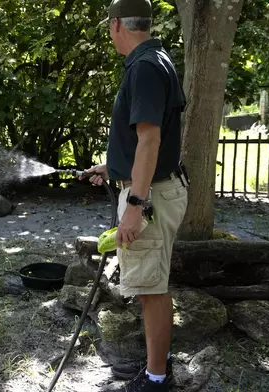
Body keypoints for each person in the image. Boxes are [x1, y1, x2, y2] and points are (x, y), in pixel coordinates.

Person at [82, 0, 189, 391]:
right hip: (155, 187)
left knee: (152, 290)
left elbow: (150, 140)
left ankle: (158, 379)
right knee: (150, 286)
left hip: (153, 196)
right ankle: (156, 365)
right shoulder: (154, 58)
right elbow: (146, 141)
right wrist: (113, 167)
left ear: (115, 26)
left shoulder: (144, 67)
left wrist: (134, 205)